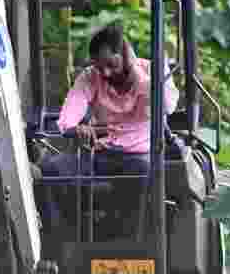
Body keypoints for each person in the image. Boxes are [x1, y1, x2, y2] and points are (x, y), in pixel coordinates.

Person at [39, 23, 179, 240]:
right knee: (51, 169)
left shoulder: (152, 73)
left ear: (125, 53)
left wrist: (136, 74)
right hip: (101, 155)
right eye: (99, 66)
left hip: (140, 157)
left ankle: (129, 248)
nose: (105, 72)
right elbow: (67, 118)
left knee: (141, 174)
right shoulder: (91, 77)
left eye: (111, 64)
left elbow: (166, 105)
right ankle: (62, 244)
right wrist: (77, 127)